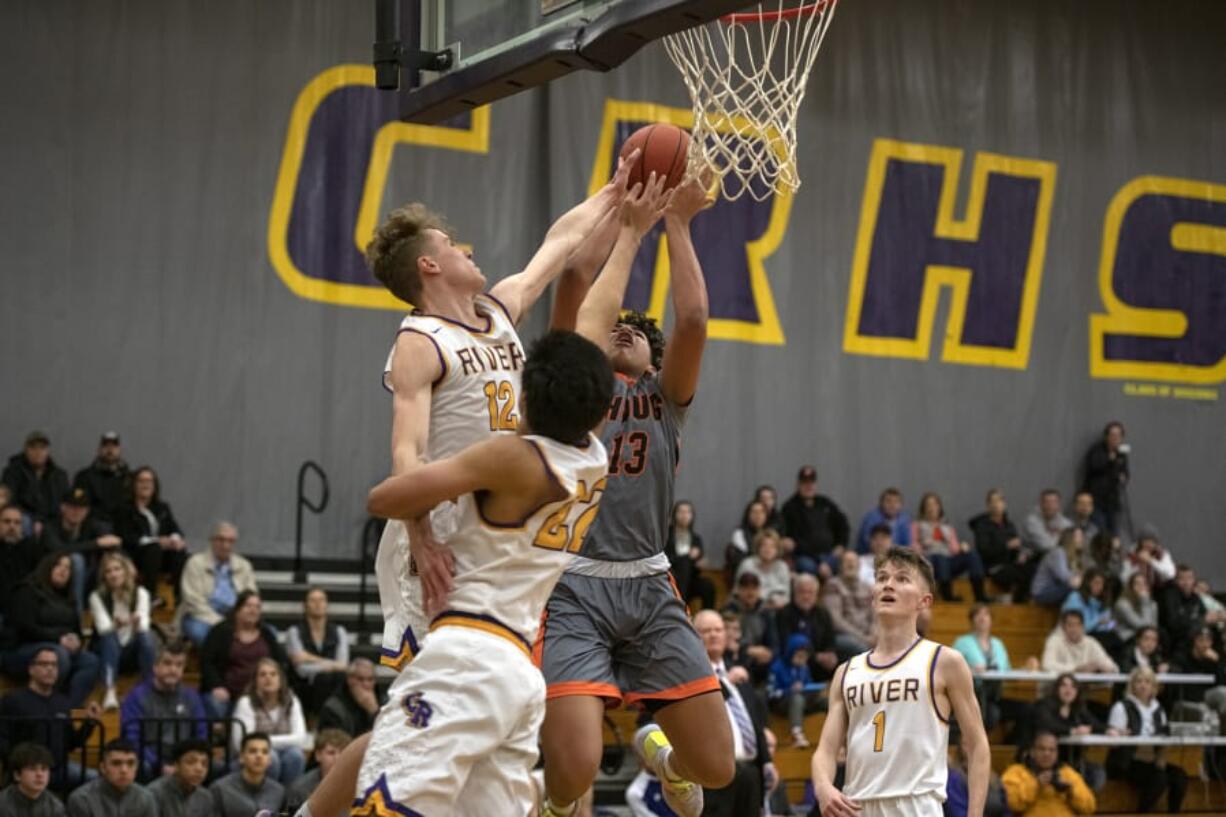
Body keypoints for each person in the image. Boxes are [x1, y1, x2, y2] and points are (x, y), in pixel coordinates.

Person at [292, 149, 639, 817]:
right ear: (429, 264)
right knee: (421, 718)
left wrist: (615, 192)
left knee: (447, 725)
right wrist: (419, 536)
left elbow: (559, 244)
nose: (468, 249)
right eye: (452, 244)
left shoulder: (499, 312)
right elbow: (405, 449)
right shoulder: (419, 341)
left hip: (495, 529)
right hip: (441, 540)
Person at [351, 327, 619, 815]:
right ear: (602, 412)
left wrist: (430, 468)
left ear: (524, 397)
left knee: (381, 805)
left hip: (465, 655)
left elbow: (384, 499)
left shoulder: (509, 458)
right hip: (519, 671)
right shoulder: (596, 460)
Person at [537, 176, 737, 817]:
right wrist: (626, 226)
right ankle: (558, 799)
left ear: (654, 357)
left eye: (637, 331)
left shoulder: (663, 399)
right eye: (614, 326)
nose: (622, 330)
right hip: (573, 585)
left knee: (717, 767)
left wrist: (678, 223)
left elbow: (697, 318)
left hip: (649, 585)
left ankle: (663, 758)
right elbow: (573, 289)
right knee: (573, 773)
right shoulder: (572, 391)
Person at [812, 546, 989, 817]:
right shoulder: (846, 672)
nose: (888, 585)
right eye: (882, 578)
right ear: (872, 597)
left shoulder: (944, 661)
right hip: (857, 805)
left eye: (902, 579)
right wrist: (823, 787)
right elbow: (825, 750)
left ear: (924, 601)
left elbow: (977, 745)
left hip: (915, 805)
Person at [692, 610, 772, 817]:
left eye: (718, 630)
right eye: (706, 631)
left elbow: (754, 724)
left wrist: (766, 762)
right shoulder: (689, 676)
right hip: (714, 776)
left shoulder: (739, 674)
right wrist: (720, 682)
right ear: (693, 636)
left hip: (750, 772)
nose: (714, 635)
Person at [0, 552, 101, 707]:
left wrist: (76, 641)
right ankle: (44, 705)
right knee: (57, 656)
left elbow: (78, 632)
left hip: (58, 648)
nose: (63, 570)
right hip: (20, 649)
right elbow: (25, 627)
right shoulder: (27, 590)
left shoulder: (69, 599)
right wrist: (58, 639)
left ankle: (66, 707)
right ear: (47, 567)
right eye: (58, 565)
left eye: (68, 568)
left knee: (90, 661)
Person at [0, 648, 100, 789]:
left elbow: (72, 743)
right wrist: (19, 765)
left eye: (54, 665)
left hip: (59, 768)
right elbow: (3, 739)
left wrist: (89, 723)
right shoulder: (13, 700)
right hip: (27, 769)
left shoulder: (62, 702)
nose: (50, 669)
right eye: (44, 664)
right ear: (31, 669)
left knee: (99, 780)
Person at [120, 640, 209, 778]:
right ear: (155, 666)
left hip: (184, 761)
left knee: (218, 767)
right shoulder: (137, 697)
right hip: (150, 762)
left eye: (179, 665)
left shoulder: (192, 697)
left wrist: (188, 763)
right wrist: (159, 764)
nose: (173, 670)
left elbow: (201, 734)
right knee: (143, 767)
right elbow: (132, 740)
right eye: (167, 663)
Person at [1106, 667, 1187, 813]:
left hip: (1152, 761)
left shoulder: (1159, 709)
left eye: (1148, 682)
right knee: (1159, 778)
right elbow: (1113, 743)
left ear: (1154, 686)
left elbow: (1164, 736)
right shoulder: (1121, 707)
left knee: (1180, 776)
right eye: (1139, 681)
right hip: (1127, 761)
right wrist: (1119, 735)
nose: (1143, 685)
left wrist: (1161, 757)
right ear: (1132, 685)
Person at [199, 590, 290, 718]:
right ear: (237, 609)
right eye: (248, 606)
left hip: (261, 692)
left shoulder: (266, 633)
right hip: (226, 692)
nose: (253, 610)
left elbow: (280, 661)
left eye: (257, 607)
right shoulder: (220, 631)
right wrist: (216, 685)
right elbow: (207, 662)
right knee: (216, 703)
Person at [89, 551, 155, 710]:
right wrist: (116, 625)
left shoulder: (141, 593)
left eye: (117, 569)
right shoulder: (97, 596)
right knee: (110, 637)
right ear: (104, 576)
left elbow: (144, 625)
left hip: (131, 649)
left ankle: (149, 688)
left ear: (125, 571)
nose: (113, 574)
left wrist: (136, 622)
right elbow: (103, 628)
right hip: (105, 650)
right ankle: (110, 691)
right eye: (108, 571)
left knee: (146, 638)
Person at [953, 604, 1034, 733]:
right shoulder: (962, 642)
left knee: (1028, 709)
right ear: (972, 619)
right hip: (973, 695)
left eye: (986, 614)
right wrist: (970, 669)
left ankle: (1015, 746)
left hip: (994, 695)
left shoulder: (998, 644)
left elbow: (1007, 672)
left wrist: (1025, 669)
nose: (982, 618)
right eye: (977, 614)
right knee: (991, 714)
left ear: (991, 620)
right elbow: (952, 670)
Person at [176, 522, 257, 646]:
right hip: (201, 616)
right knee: (205, 635)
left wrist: (240, 620)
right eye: (221, 540)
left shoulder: (244, 566)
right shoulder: (195, 563)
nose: (225, 545)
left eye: (230, 541)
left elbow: (251, 599)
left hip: (235, 617)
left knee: (269, 634)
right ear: (212, 541)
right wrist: (221, 623)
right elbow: (193, 602)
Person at [231, 658, 310, 784]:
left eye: (273, 674)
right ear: (255, 680)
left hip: (283, 753)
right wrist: (269, 746)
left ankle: (290, 801)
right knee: (270, 757)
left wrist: (264, 741)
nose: (268, 678)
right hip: (249, 759)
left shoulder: (291, 701)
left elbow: (300, 739)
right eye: (263, 675)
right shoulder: (246, 703)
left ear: (280, 679)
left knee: (296, 756)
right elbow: (240, 743)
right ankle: (269, 798)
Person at [43, 488, 122, 613]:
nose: (77, 512)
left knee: (111, 559)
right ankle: (77, 614)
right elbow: (58, 549)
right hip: (54, 577)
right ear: (63, 508)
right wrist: (96, 543)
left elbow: (112, 542)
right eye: (72, 507)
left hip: (87, 580)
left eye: (81, 508)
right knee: (77, 559)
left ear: (87, 511)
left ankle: (112, 611)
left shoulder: (92, 525)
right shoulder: (50, 527)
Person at [114, 466, 186, 600]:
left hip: (162, 555)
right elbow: (126, 537)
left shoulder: (162, 507)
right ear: (134, 485)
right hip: (136, 555)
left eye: (149, 481)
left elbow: (175, 528)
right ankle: (149, 597)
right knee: (154, 549)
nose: (146, 484)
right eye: (141, 481)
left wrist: (176, 539)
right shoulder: (124, 509)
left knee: (179, 551)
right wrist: (156, 541)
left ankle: (178, 598)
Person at [1033, 673, 1114, 790]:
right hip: (1049, 761)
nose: (1068, 690)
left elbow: (1094, 724)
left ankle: (1084, 804)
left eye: (1073, 687)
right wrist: (1073, 730)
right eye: (1064, 686)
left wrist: (1109, 729)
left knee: (1097, 773)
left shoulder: (1078, 708)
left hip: (1074, 760)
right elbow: (1048, 725)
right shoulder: (1044, 705)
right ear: (1056, 689)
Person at [285, 586, 349, 717]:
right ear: (305, 605)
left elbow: (343, 666)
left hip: (333, 684)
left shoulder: (339, 631)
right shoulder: (294, 632)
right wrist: (332, 665)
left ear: (327, 605)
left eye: (321, 600)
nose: (318, 604)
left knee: (335, 678)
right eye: (312, 600)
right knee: (323, 678)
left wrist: (309, 657)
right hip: (304, 687)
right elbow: (302, 670)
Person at [912, 492, 987, 603]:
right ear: (923, 508)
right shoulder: (917, 525)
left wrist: (962, 547)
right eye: (928, 505)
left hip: (948, 560)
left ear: (939, 507)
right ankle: (948, 595)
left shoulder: (947, 527)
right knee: (940, 557)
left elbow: (954, 548)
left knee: (972, 555)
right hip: (930, 560)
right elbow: (912, 544)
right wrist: (922, 546)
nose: (931, 508)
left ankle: (980, 595)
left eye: (934, 505)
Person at [1001, 731, 1096, 817]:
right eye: (1042, 749)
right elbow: (1010, 804)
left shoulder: (1067, 773)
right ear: (1032, 751)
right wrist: (1036, 785)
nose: (1047, 753)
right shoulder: (1016, 772)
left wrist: (1071, 791)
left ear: (1057, 753)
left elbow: (1089, 807)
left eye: (1052, 750)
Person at [968, 489, 1034, 603]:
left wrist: (1020, 555)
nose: (996, 504)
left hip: (1011, 563)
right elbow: (984, 551)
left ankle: (1015, 599)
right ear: (988, 505)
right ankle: (1013, 600)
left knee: (1032, 569)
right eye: (992, 501)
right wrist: (1006, 545)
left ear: (1004, 504)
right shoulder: (982, 526)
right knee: (1018, 576)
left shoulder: (1009, 525)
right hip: (993, 567)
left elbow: (1016, 547)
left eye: (999, 501)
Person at [781, 467, 849, 575]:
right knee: (809, 568)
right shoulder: (789, 508)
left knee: (849, 564)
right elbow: (793, 541)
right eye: (805, 483)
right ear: (798, 484)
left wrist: (841, 545)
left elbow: (843, 524)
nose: (809, 486)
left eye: (811, 482)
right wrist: (820, 562)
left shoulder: (825, 503)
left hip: (830, 554)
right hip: (805, 556)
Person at [65, 739, 157, 817]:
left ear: (137, 767)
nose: (124, 770)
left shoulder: (146, 798)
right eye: (116, 763)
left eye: (130, 763)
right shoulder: (82, 799)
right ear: (103, 768)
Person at [2, 432, 69, 534]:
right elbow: (10, 501)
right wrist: (36, 520)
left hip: (52, 519)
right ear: (26, 450)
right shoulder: (13, 472)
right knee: (25, 522)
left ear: (48, 451)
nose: (38, 452)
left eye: (42, 448)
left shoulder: (59, 475)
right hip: (25, 518)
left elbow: (65, 502)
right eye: (33, 448)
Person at [776, 573, 839, 677]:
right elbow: (786, 645)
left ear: (816, 594)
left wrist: (830, 654)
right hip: (795, 662)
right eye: (802, 592)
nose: (806, 596)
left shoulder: (823, 613)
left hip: (822, 662)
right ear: (794, 593)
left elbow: (830, 640)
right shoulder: (784, 613)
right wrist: (816, 657)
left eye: (810, 592)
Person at [210, 733, 284, 817]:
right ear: (241, 757)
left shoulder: (279, 791)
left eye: (265, 752)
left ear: (270, 760)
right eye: (253, 751)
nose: (259, 756)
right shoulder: (219, 789)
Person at [768, 634, 822, 748]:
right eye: (799, 656)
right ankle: (796, 734)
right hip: (782, 703)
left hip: (803, 701)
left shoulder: (804, 668)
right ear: (791, 653)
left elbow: (808, 684)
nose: (802, 660)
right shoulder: (777, 667)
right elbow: (771, 693)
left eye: (804, 657)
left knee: (826, 701)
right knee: (797, 698)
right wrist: (790, 690)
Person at [284, 729, 352, 817]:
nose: (338, 758)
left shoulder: (357, 784)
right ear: (318, 755)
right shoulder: (300, 788)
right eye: (331, 753)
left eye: (343, 752)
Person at [1060, 567, 1122, 658]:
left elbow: (1108, 625)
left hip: (1100, 634)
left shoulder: (1103, 601)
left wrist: (1112, 624)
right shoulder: (1075, 598)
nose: (1099, 587)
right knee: (1109, 642)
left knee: (1116, 640)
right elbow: (1078, 627)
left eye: (1102, 584)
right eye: (1096, 583)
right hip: (1080, 635)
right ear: (1087, 582)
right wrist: (1098, 621)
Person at [823, 549, 875, 657]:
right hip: (843, 636)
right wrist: (862, 637)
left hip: (868, 635)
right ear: (840, 566)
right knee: (862, 649)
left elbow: (876, 616)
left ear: (859, 565)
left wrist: (874, 633)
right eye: (847, 561)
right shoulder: (833, 585)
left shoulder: (867, 588)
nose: (850, 564)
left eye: (853, 561)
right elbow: (836, 621)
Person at [71, 433, 131, 525]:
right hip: (93, 526)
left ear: (119, 450)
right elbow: (79, 503)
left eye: (114, 446)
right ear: (99, 450)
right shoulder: (84, 477)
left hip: (124, 525)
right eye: (106, 446)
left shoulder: (129, 478)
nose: (110, 450)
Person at [1081, 421, 1129, 537]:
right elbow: (1094, 466)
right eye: (1112, 435)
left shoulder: (1121, 454)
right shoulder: (1096, 450)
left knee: (1115, 534)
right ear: (1106, 436)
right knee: (1100, 533)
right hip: (1096, 500)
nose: (1115, 438)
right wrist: (1110, 460)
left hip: (1113, 500)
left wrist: (1124, 477)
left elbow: (1125, 471)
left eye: (1118, 436)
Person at [145, 739, 215, 817]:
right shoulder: (154, 793)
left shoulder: (206, 797)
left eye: (204, 764)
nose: (199, 769)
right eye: (191, 762)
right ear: (176, 765)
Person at [665, 501, 714, 611]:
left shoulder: (696, 539)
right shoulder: (666, 535)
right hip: (670, 577)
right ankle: (680, 608)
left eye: (688, 512)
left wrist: (700, 564)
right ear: (674, 515)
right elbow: (665, 558)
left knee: (707, 586)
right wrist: (687, 557)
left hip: (689, 579)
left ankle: (707, 617)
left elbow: (696, 568)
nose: (684, 515)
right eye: (681, 512)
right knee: (684, 562)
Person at [0, 503, 42, 630]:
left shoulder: (31, 549)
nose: (12, 526)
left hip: (22, 611)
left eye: (17, 522)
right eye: (7, 521)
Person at [316, 659, 381, 738]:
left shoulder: (383, 703)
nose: (366, 684)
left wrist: (375, 712)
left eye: (370, 679)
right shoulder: (333, 708)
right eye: (360, 679)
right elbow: (334, 742)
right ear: (349, 680)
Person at [1041, 610, 1119, 675]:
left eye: (1077, 625)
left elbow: (1114, 668)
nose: (1074, 629)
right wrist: (1076, 669)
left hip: (1084, 690)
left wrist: (1104, 667)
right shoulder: (1054, 641)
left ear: (1082, 627)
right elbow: (1047, 665)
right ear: (1063, 627)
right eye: (1070, 625)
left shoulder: (1091, 642)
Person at [0, 742, 66, 817]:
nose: (39, 774)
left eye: (44, 769)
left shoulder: (54, 805)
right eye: (32, 769)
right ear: (17, 775)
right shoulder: (2, 805)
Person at [1159, 564, 1211, 656]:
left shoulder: (1195, 597)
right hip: (1173, 641)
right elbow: (1173, 624)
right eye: (1182, 579)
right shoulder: (1170, 595)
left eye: (1189, 578)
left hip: (1193, 638)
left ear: (1194, 580)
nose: (1186, 582)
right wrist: (1202, 620)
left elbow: (1205, 615)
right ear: (1176, 581)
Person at [735, 529, 791, 608]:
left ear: (777, 550)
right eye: (764, 545)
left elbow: (786, 597)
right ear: (758, 547)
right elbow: (738, 592)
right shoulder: (747, 565)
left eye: (772, 546)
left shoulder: (782, 567)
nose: (768, 549)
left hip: (777, 609)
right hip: (750, 609)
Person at [1031, 528, 1084, 607]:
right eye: (1079, 536)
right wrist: (1080, 579)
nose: (1082, 539)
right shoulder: (1058, 552)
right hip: (1043, 592)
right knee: (1075, 590)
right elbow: (1064, 577)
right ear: (1070, 538)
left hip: (1057, 589)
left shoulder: (1074, 556)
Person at [725, 500, 771, 582]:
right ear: (748, 515)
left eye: (761, 512)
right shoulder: (739, 533)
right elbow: (743, 558)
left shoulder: (769, 534)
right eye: (754, 512)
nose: (758, 515)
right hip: (747, 573)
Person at [854, 488, 912, 553]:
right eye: (888, 501)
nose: (892, 505)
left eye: (896, 502)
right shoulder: (871, 518)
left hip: (895, 557)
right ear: (881, 503)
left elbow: (906, 544)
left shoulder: (904, 519)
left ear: (901, 505)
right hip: (870, 555)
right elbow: (868, 543)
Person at [1115, 572, 1159, 644]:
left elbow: (1153, 627)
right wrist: (1144, 601)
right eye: (1137, 584)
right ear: (1130, 587)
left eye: (1144, 584)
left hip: (1145, 638)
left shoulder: (1152, 604)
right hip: (1127, 639)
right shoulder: (1122, 604)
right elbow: (1143, 628)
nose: (1141, 586)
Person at [1023, 490, 1072, 556]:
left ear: (1059, 504)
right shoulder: (1031, 521)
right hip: (1035, 558)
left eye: (1054, 502)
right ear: (1041, 504)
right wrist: (1060, 535)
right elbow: (1045, 546)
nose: (1050, 506)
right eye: (1047, 502)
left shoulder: (1066, 522)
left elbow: (1071, 545)